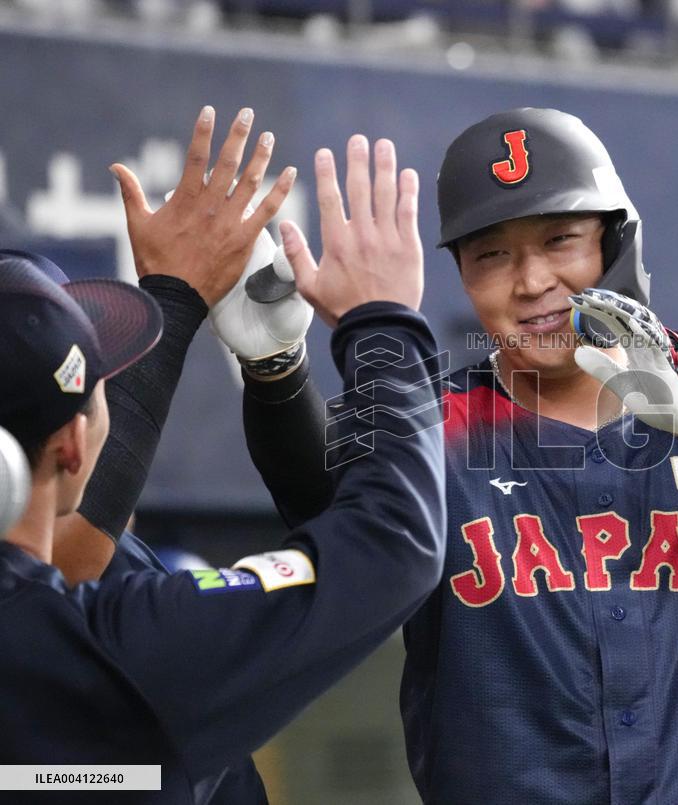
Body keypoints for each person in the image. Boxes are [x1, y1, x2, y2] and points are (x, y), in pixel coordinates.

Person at [243, 107, 678, 803]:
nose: (530, 280)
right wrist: (275, 370)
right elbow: (328, 531)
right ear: (461, 274)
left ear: (615, 246)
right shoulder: (424, 425)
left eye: (560, 240)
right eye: (493, 254)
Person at [0, 106, 445, 803]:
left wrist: (276, 371)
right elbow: (391, 543)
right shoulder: (119, 651)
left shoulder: (88, 619)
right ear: (73, 442)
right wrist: (383, 324)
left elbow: (67, 557)